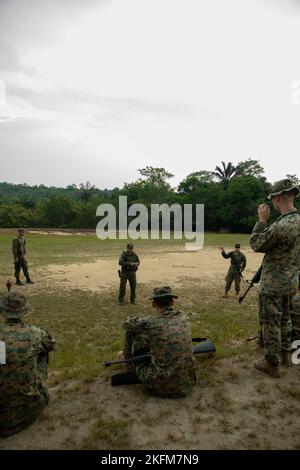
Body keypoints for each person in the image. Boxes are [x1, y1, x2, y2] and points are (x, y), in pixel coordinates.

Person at [250, 178, 300, 378]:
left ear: (277, 198)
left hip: (273, 283)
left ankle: (271, 362)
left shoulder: (281, 226)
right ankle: (286, 355)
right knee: (286, 318)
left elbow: (256, 243)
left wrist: (261, 221)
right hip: (291, 280)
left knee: (270, 321)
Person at [115, 286, 197, 398]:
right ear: (172, 302)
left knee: (132, 333)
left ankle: (128, 364)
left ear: (153, 304)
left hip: (162, 386)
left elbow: (126, 324)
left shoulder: (151, 322)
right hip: (188, 382)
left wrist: (145, 319)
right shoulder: (184, 317)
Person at [0, 290, 55, 437]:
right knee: (42, 353)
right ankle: (37, 387)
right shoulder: (35, 333)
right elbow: (51, 345)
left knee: (4, 361)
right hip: (30, 407)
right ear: (24, 310)